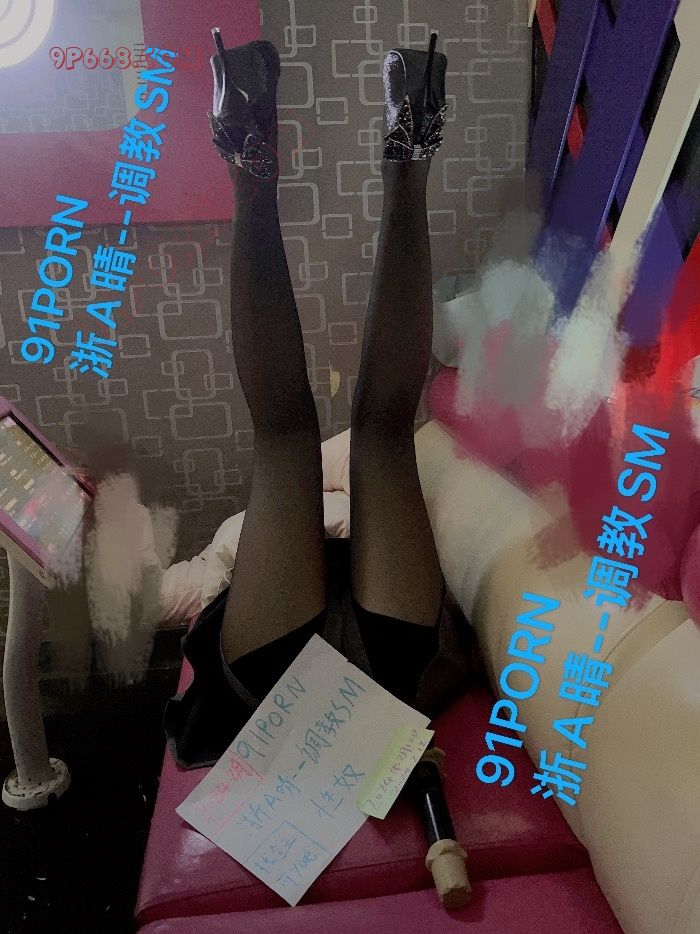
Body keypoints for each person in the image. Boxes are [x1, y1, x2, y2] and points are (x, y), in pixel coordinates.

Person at [165, 28, 472, 769]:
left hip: (302, 680)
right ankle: (252, 160)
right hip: (372, 664)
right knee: (301, 438)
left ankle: (408, 149)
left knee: (364, 433)